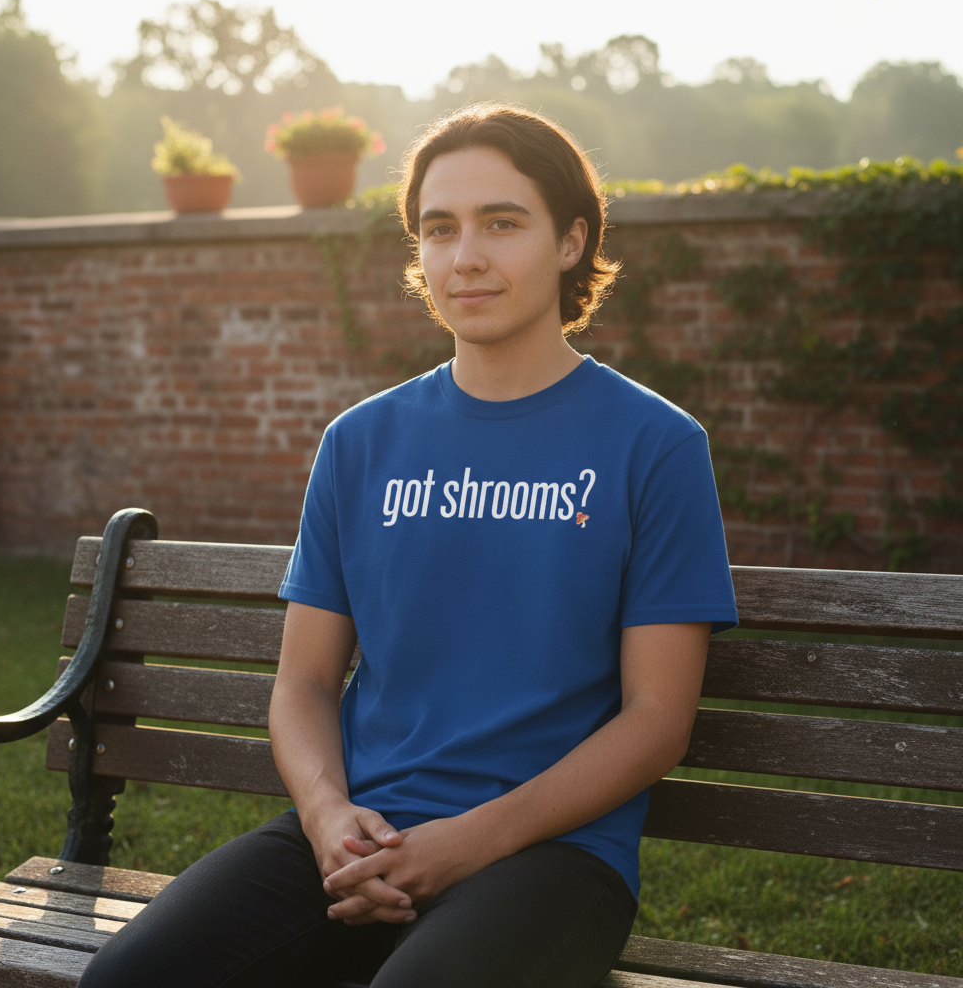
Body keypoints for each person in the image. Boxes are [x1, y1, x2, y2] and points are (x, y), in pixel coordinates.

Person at [77, 103, 738, 988]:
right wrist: (325, 818)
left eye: (502, 223)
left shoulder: (654, 446)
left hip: (551, 856)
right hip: (359, 833)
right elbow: (304, 682)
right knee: (128, 980)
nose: (466, 255)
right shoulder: (361, 442)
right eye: (440, 228)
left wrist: (467, 843)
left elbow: (657, 721)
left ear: (571, 240)